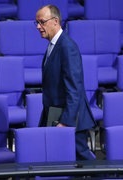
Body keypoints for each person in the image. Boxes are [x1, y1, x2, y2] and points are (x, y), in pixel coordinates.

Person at [35, 4, 96, 161]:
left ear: (55, 21)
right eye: (37, 22)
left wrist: (66, 123)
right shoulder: (55, 45)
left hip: (68, 119)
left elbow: (74, 89)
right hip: (54, 115)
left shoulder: (67, 47)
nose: (38, 26)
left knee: (83, 160)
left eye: (42, 22)